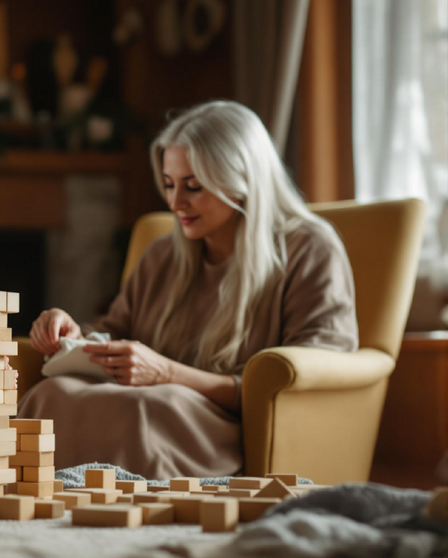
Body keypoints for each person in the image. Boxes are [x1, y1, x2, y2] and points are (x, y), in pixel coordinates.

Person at [20, 100, 359, 478]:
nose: (175, 203)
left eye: (194, 187)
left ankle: (128, 519)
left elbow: (310, 368)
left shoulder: (310, 248)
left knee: (143, 409)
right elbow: (116, 330)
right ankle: (46, 513)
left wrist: (167, 373)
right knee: (53, 393)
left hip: (226, 419)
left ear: (243, 179)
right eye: (168, 184)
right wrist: (73, 335)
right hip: (152, 398)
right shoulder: (162, 253)